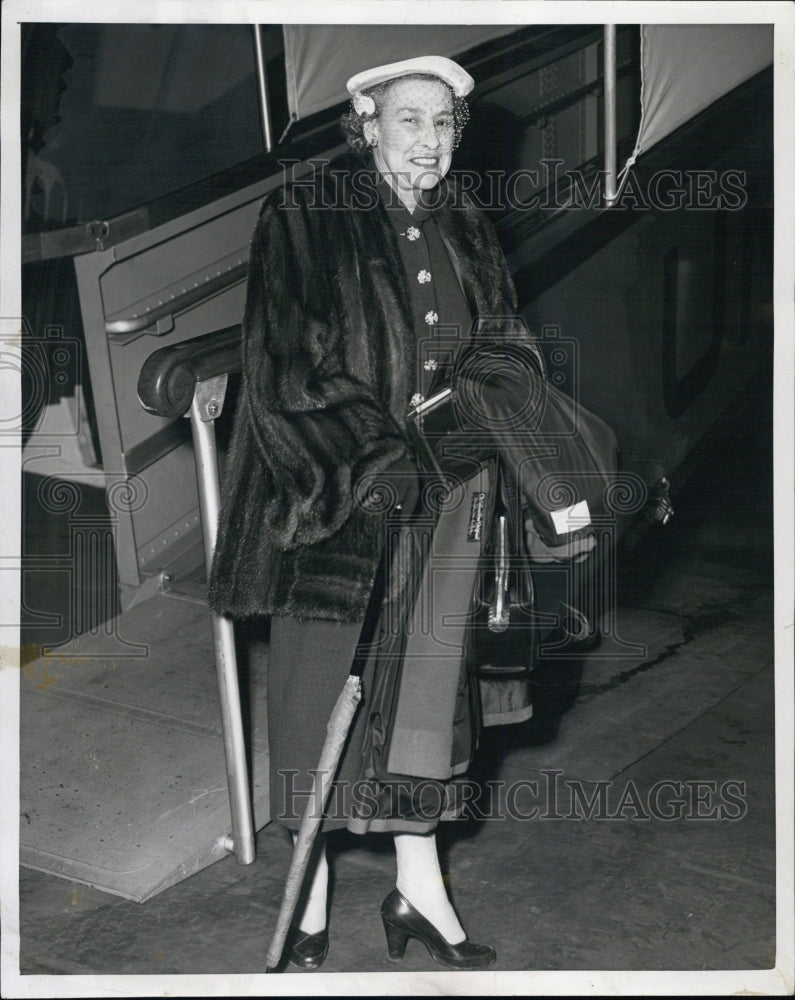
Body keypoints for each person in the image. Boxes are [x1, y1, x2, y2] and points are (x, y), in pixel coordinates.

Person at [209, 54, 592, 973]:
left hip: (453, 492)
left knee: (427, 702)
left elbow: (504, 342)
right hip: (336, 494)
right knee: (315, 691)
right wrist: (375, 461)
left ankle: (419, 888)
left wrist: (497, 419)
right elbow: (287, 372)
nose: (429, 143)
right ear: (367, 124)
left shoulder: (462, 216)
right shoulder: (305, 214)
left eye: (444, 125)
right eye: (409, 121)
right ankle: (311, 896)